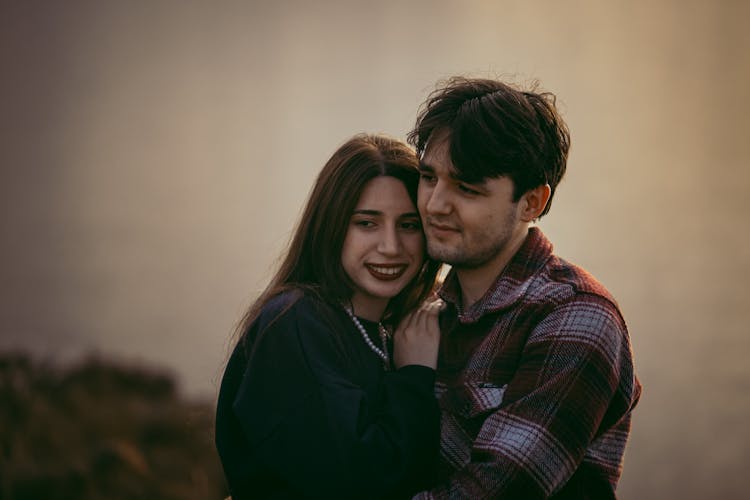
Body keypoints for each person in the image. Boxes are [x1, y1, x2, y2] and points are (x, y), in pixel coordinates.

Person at [403, 77, 642, 499]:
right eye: (428, 177)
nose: (435, 204)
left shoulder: (577, 317)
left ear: (531, 203)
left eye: (467, 188)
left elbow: (495, 490)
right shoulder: (426, 311)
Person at [215, 134, 444, 499]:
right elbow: (361, 482)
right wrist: (414, 377)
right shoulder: (294, 324)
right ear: (331, 226)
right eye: (366, 223)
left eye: (409, 225)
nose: (391, 247)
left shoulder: (400, 325)